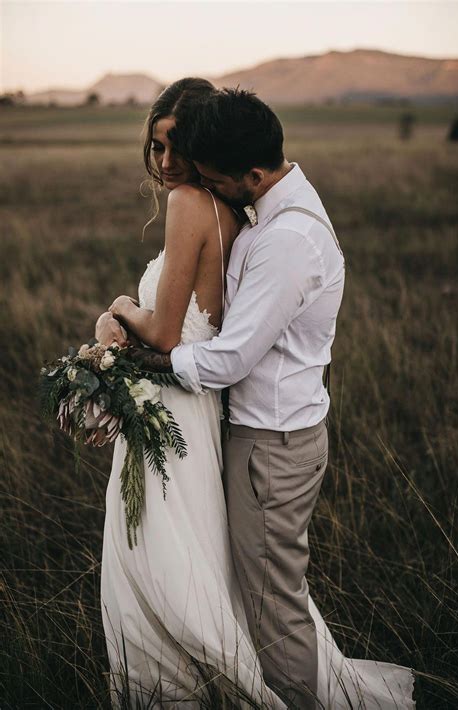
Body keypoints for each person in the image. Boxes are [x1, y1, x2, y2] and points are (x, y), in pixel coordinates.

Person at [96, 82, 416, 708]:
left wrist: (125, 328)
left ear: (249, 171)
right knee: (229, 580)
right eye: (156, 146)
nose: (169, 164)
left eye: (181, 149)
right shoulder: (251, 211)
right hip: (236, 425)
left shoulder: (280, 235)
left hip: (267, 438)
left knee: (268, 608)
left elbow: (224, 352)